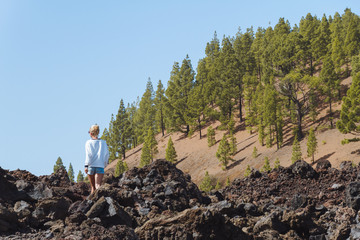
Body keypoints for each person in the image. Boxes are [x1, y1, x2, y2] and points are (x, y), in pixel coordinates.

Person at [85, 124, 109, 194]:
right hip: (100, 166)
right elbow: (107, 154)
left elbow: (88, 155)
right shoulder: (103, 142)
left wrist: (86, 165)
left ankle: (90, 202)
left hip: (91, 166)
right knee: (98, 185)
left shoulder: (88, 142)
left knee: (93, 188)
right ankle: (100, 198)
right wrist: (105, 164)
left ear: (91, 133)